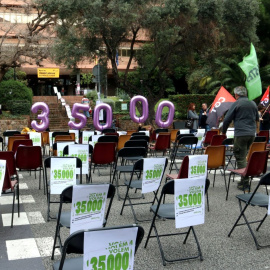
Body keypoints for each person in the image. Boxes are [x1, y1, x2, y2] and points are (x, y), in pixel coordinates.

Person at [222, 86, 259, 190]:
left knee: (240, 157)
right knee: (244, 155)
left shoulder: (236, 103)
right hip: (251, 134)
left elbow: (226, 120)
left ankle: (245, 183)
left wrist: (223, 132)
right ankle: (244, 180)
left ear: (236, 94)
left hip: (241, 134)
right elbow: (257, 119)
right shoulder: (253, 103)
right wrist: (256, 131)